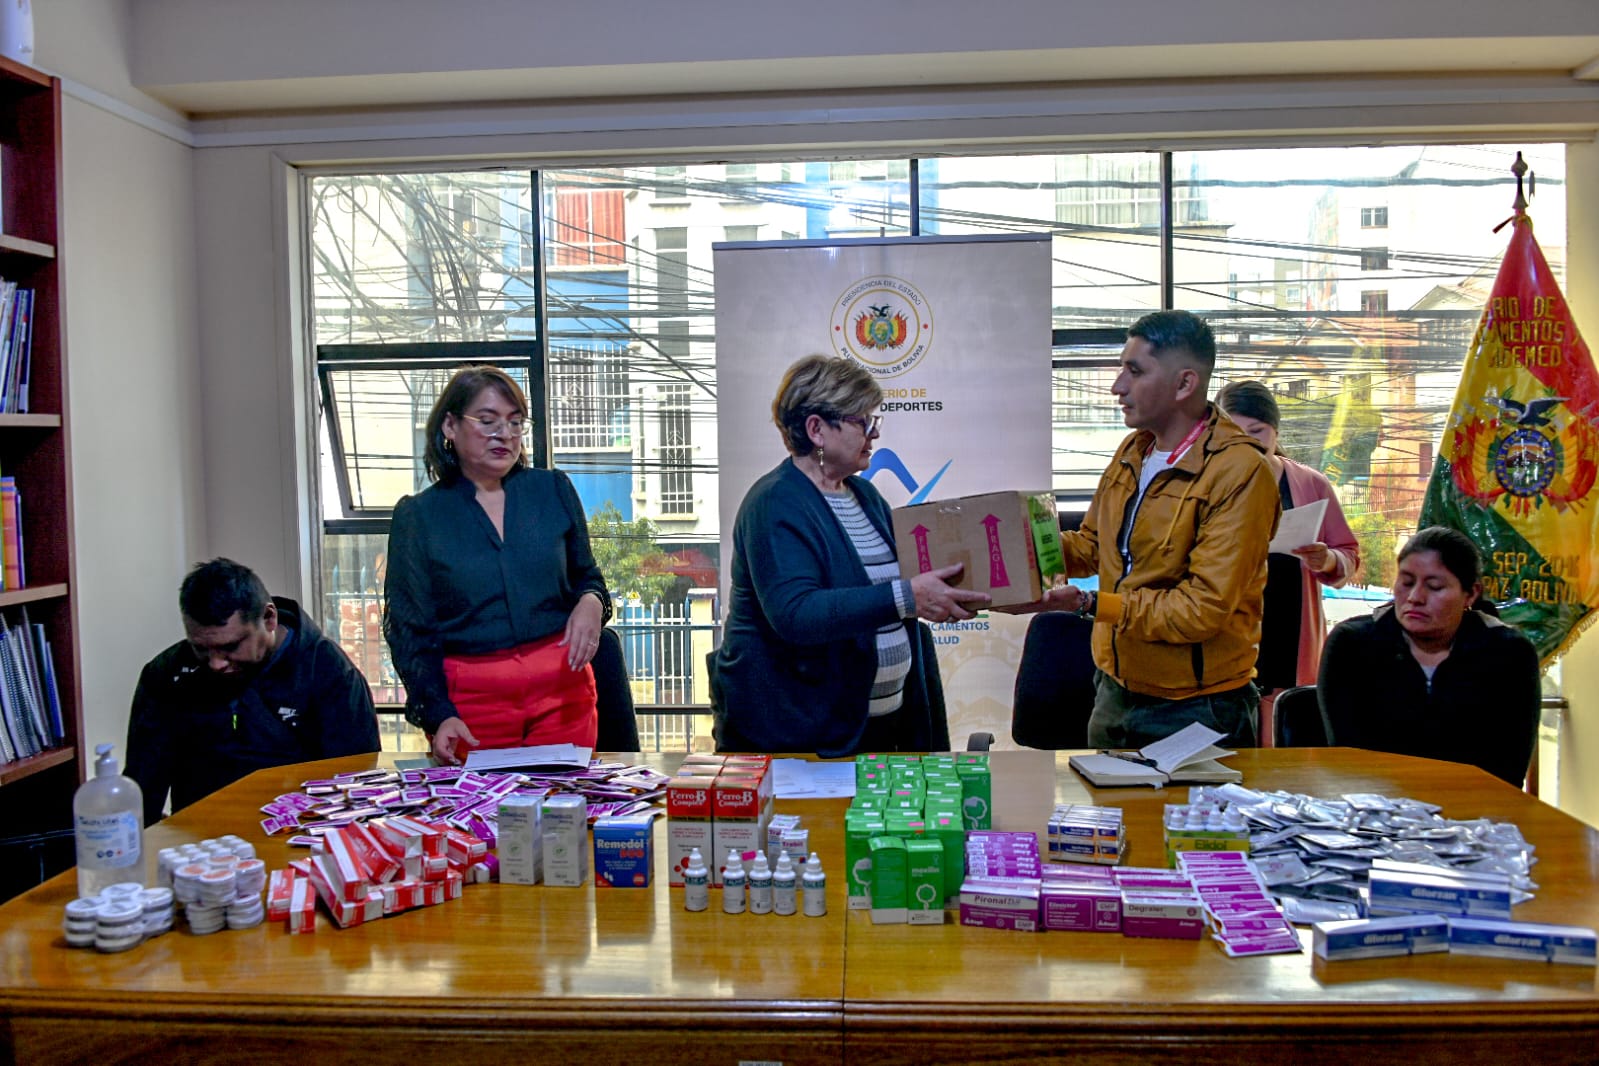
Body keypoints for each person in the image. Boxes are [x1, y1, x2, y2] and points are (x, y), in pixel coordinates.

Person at [711, 354, 988, 756]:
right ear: (817, 429)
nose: (873, 434)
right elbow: (796, 614)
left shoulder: (865, 496)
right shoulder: (773, 503)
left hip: (878, 728)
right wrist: (908, 597)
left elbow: (905, 584)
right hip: (801, 739)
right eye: (862, 422)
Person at [1041, 310, 1280, 750]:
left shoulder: (1241, 472)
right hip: (1114, 689)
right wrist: (1017, 552)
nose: (1118, 386)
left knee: (1189, 823)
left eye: (1134, 371)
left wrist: (1092, 603)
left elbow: (1201, 609)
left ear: (1185, 384)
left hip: (1197, 709)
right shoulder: (1134, 450)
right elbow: (1094, 546)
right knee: (1108, 819)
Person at [383, 365, 611, 765]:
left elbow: (587, 578)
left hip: (562, 692)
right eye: (488, 421)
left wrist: (592, 602)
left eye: (515, 423)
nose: (505, 435)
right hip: (471, 704)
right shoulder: (419, 517)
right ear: (450, 426)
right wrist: (438, 714)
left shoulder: (552, 489)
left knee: (563, 815)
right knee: (483, 821)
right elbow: (409, 630)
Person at [125, 558, 379, 825]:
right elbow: (143, 786)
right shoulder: (167, 674)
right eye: (200, 648)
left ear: (269, 618)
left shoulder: (329, 672)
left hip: (299, 843)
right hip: (199, 852)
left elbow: (356, 788)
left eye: (231, 646)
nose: (216, 663)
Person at [1318, 526, 1540, 785]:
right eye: (1407, 582)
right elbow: (1351, 762)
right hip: (1374, 810)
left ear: (1471, 593)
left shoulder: (1509, 654)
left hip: (1474, 812)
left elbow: (1507, 772)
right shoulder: (1351, 644)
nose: (1415, 598)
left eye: (1434, 587)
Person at [1216, 380, 1360, 740]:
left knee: (1285, 730)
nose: (1248, 442)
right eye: (1235, 432)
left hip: (1288, 623)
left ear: (1274, 430)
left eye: (1257, 431)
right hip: (1227, 623)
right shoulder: (1207, 485)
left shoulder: (1311, 484)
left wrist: (1326, 559)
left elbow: (1349, 555)